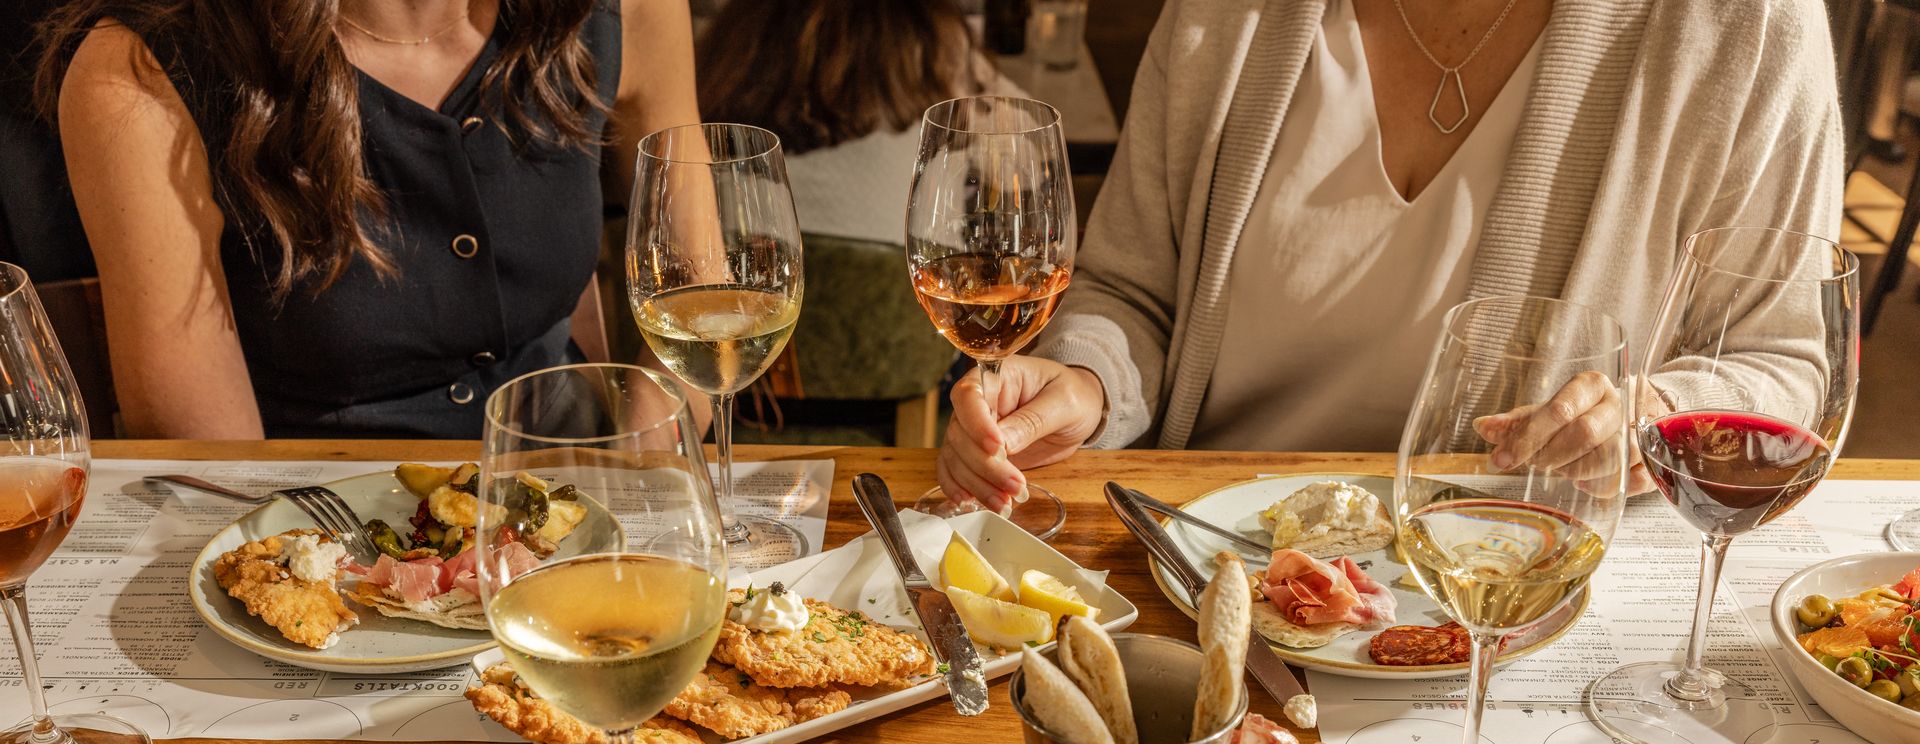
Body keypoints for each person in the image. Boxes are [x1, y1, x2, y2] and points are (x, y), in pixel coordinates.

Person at [935, 0, 1843, 511]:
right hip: (1208, 562)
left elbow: (1786, 362)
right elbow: (1132, 292)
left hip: (1511, 598)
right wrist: (1085, 383)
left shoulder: (1744, 28)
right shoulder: (1224, 17)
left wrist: (1656, 416)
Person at [38, 0, 702, 437]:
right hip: (318, 545)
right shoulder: (139, 71)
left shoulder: (621, 10)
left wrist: (641, 482)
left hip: (578, 519)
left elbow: (705, 302)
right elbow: (214, 467)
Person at [693, 0, 1018, 245]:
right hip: (914, 318)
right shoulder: (930, 36)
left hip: (738, 312)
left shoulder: (739, 35)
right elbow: (1024, 145)